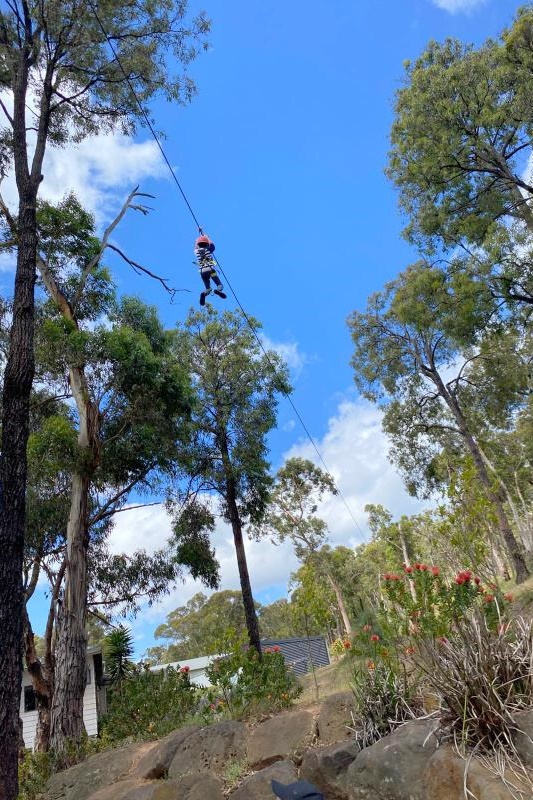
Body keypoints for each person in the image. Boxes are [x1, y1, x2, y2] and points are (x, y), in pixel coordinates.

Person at [194, 231, 227, 306]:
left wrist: (196, 240)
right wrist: (207, 237)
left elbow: (195, 247)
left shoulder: (197, 252)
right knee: (219, 284)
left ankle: (204, 293)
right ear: (206, 244)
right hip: (211, 270)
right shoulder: (208, 250)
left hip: (202, 272)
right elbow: (212, 245)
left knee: (208, 288)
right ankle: (218, 290)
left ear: (198, 245)